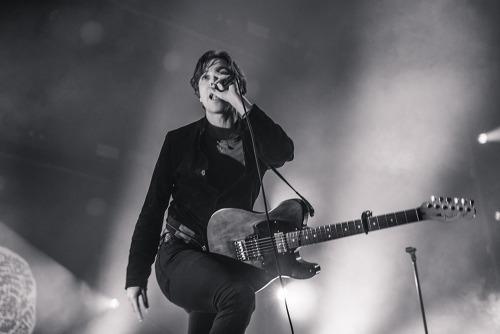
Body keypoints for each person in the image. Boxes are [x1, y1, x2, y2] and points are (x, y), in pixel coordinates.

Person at [125, 50, 294, 334]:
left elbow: (283, 152)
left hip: (228, 260)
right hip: (180, 254)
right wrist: (136, 274)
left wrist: (240, 101)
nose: (213, 81)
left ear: (235, 85)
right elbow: (153, 208)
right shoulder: (179, 142)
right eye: (206, 77)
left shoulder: (254, 142)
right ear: (200, 94)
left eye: (221, 74)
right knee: (237, 296)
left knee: (224, 303)